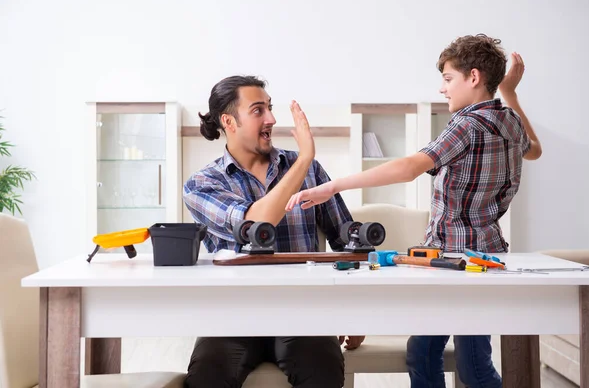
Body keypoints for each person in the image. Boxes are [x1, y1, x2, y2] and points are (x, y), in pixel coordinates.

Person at [286, 34, 542, 388]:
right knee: (428, 353)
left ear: (474, 77)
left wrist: (332, 186)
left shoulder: (467, 125)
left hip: (458, 261)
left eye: (448, 79)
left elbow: (409, 168)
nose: (442, 89)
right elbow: (535, 150)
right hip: (484, 253)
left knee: (470, 366)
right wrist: (509, 93)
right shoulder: (509, 121)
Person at [182, 75, 363, 388]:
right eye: (258, 110)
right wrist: (305, 159)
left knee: (324, 369)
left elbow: (348, 240)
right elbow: (254, 224)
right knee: (207, 375)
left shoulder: (309, 171)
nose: (271, 118)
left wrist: (354, 310)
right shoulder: (202, 184)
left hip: (302, 311)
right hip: (232, 316)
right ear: (229, 121)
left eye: (270, 108)